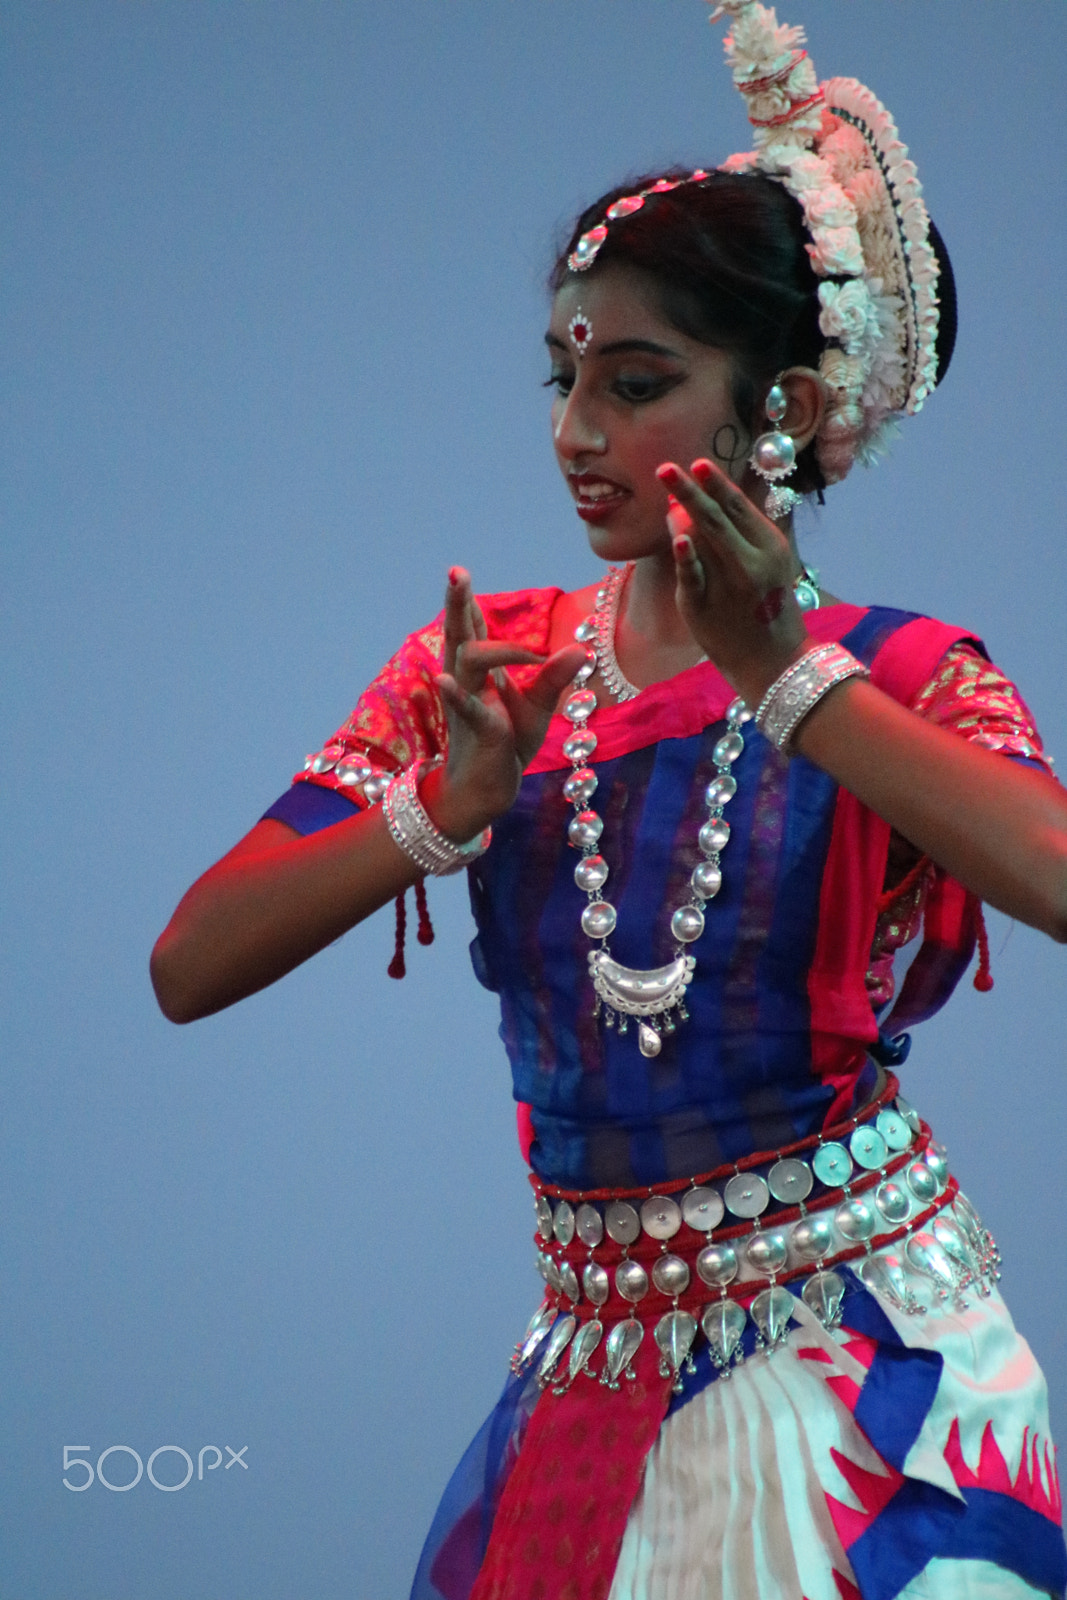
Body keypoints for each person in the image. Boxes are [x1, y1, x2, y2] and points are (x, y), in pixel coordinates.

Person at [151, 3, 1067, 1596]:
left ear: (775, 407)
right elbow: (188, 967)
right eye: (564, 375)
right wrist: (443, 803)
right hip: (588, 1385)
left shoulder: (897, 674)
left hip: (858, 1371)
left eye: (635, 382)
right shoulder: (487, 671)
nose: (575, 433)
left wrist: (789, 681)